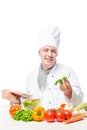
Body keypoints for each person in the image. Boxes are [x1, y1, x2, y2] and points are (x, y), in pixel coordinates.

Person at [2, 26, 83, 109]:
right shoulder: (32, 75)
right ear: (39, 52)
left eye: (53, 51)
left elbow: (79, 100)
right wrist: (15, 100)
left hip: (59, 119)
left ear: (57, 54)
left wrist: (69, 93)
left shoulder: (67, 72)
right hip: (36, 120)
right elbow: (29, 102)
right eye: (46, 50)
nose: (49, 54)